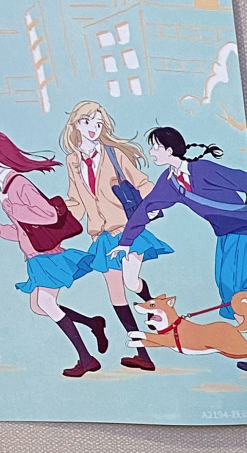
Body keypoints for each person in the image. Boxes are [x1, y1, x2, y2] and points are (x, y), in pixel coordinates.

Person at [114, 126, 247, 373]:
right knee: (230, 293)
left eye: (156, 147)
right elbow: (146, 208)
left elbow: (245, 180)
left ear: (169, 150)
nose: (152, 152)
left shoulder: (203, 170)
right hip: (226, 237)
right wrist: (126, 242)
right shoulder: (170, 182)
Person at [61, 101, 172, 372]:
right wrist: (56, 222)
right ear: (76, 124)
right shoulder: (73, 161)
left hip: (127, 229)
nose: (93, 128)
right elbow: (76, 201)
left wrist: (154, 204)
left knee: (132, 281)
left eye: (98, 124)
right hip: (101, 236)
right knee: (116, 294)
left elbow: (141, 182)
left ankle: (156, 312)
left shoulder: (114, 154)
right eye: (87, 122)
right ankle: (142, 353)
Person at [0, 132, 104, 378]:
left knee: (45, 303)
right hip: (35, 256)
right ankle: (92, 323)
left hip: (46, 256)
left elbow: (49, 215)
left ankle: (87, 359)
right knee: (38, 306)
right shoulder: (5, 189)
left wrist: (13, 207)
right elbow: (23, 231)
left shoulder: (18, 185)